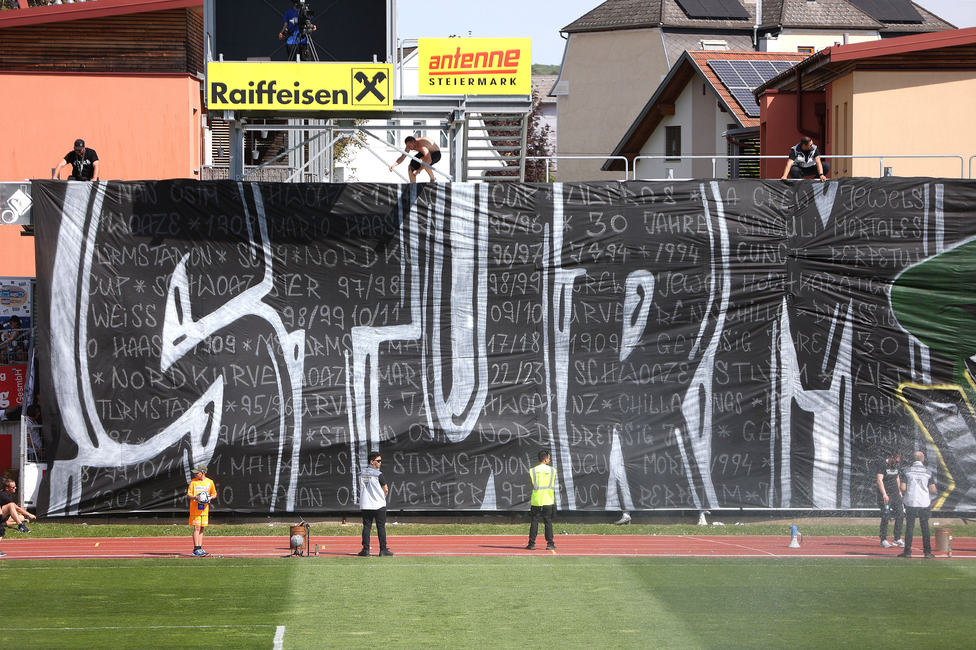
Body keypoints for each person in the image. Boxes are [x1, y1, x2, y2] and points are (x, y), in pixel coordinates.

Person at [898, 451, 937, 559]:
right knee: (925, 527)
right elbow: (933, 489)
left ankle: (907, 551)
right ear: (922, 459)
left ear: (913, 459)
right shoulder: (928, 472)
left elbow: (903, 488)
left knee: (909, 527)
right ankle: (927, 552)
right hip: (924, 503)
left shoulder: (906, 471)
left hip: (911, 502)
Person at [358, 451, 394, 557]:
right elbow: (386, 489)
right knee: (381, 527)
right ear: (372, 461)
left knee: (366, 527)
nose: (380, 463)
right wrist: (383, 497)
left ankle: (366, 549)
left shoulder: (361, 473)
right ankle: (383, 550)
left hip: (366, 504)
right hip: (378, 504)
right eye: (378, 461)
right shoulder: (379, 474)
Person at [526, 450, 557, 551]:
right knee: (548, 520)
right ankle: (550, 543)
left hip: (537, 499)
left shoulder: (533, 471)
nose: (549, 459)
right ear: (545, 458)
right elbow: (553, 481)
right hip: (548, 498)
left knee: (534, 520)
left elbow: (532, 485)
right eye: (549, 457)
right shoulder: (553, 470)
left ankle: (531, 543)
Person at [875, 449, 905, 548]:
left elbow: (897, 478)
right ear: (892, 457)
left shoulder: (896, 466)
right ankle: (883, 539)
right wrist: (884, 494)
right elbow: (879, 479)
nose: (897, 463)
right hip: (886, 495)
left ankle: (897, 538)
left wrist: (900, 491)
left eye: (899, 462)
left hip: (895, 494)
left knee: (900, 514)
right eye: (896, 461)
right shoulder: (883, 464)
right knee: (886, 516)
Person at [0, 478, 36, 556]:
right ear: (7, 488)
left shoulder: (8, 494)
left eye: (15, 486)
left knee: (21, 517)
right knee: (11, 505)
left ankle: (3, 524)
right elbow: (17, 508)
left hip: (4, 516)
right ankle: (20, 525)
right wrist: (29, 514)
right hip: (1, 514)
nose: (15, 488)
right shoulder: (3, 494)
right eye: (13, 487)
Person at [187, 464, 217, 557]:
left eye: (197, 473)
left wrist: (209, 498)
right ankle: (196, 548)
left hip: (204, 509)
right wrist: (195, 497)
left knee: (202, 528)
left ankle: (200, 547)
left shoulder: (210, 482)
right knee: (196, 527)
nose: (195, 475)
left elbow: (214, 493)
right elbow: (189, 494)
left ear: (202, 473)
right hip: (195, 508)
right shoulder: (193, 482)